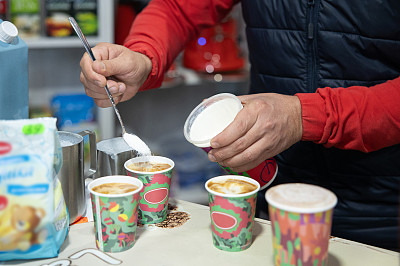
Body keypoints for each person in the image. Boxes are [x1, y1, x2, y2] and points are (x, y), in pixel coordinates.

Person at [79, 0, 400, 250]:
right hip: (273, 181)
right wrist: (143, 55)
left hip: (384, 202)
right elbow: (179, 9)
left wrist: (306, 116)